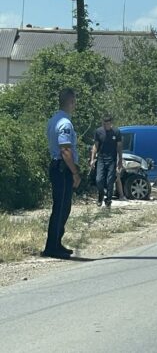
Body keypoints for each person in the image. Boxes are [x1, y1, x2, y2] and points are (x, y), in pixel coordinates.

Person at [43, 88, 80, 260]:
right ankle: (52, 246)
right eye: (75, 102)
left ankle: (56, 243)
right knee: (62, 208)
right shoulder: (65, 123)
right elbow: (65, 150)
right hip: (62, 168)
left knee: (61, 207)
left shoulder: (53, 120)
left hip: (57, 166)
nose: (75, 105)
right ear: (71, 102)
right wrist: (75, 172)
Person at [90, 114, 123, 208]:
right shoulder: (98, 131)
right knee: (99, 179)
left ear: (111, 123)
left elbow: (119, 147)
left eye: (107, 124)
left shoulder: (116, 132)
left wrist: (120, 160)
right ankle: (100, 195)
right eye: (104, 124)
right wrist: (92, 159)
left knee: (109, 181)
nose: (105, 126)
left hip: (112, 159)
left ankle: (108, 200)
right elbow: (95, 145)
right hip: (101, 159)